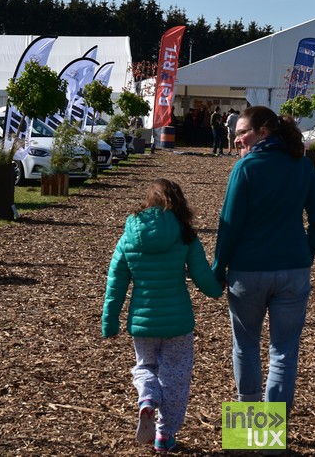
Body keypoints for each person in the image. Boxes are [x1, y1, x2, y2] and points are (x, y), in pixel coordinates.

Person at [212, 105, 315, 415]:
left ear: (262, 132)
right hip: (293, 271)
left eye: (242, 133)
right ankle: (274, 432)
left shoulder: (246, 168)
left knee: (246, 346)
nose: (236, 139)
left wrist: (218, 268)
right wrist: (305, 253)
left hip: (248, 272)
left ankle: (249, 424)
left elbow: (229, 226)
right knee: (284, 351)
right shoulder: (301, 166)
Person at [102, 178, 223, 454]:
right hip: (177, 322)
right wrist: (218, 290)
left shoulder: (129, 237)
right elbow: (202, 275)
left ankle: (147, 397)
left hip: (142, 322)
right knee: (175, 377)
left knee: (145, 366)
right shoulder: (184, 234)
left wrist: (110, 321)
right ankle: (164, 434)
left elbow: (115, 284)